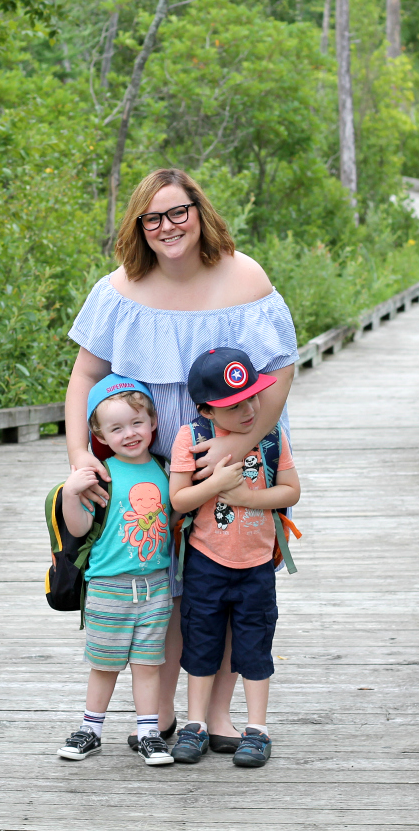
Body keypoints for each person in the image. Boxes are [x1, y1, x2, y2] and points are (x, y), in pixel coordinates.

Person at [65, 168, 299, 752]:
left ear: (199, 211)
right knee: (164, 587)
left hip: (233, 456)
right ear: (138, 227)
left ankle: (218, 714)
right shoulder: (117, 290)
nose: (167, 227)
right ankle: (164, 716)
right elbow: (83, 379)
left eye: (178, 212)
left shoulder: (244, 276)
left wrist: (239, 447)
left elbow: (282, 367)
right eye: (153, 218)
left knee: (224, 582)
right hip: (151, 465)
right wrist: (79, 458)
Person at [167, 348, 300, 768]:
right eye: (234, 404)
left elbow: (291, 491)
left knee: (255, 646)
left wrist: (246, 497)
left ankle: (257, 729)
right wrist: (216, 484)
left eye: (253, 397)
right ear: (206, 408)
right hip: (207, 563)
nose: (249, 409)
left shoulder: (271, 435)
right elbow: (179, 499)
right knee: (201, 642)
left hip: (257, 564)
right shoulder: (190, 438)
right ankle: (195, 725)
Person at [55, 375, 175, 766]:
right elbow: (78, 528)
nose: (129, 434)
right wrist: (72, 493)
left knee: (147, 664)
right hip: (109, 585)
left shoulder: (166, 469)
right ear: (99, 433)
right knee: (105, 664)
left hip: (156, 584)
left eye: (137, 423)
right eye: (116, 428)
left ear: (153, 422)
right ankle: (91, 730)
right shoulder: (101, 473)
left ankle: (148, 733)